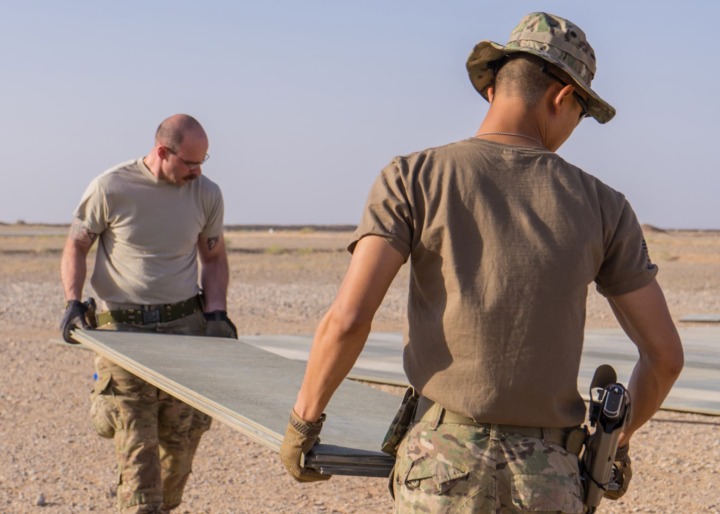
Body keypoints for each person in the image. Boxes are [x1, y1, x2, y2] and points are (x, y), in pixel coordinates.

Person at [280, 12, 684, 513]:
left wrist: (304, 425)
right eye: (581, 116)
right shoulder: (604, 205)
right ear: (563, 99)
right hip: (549, 478)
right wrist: (614, 446)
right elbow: (665, 356)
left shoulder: (412, 176)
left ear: (493, 88)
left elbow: (347, 321)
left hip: (438, 467)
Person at [60, 114, 238, 513]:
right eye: (190, 163)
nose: (197, 171)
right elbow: (75, 247)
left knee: (180, 453)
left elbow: (213, 258)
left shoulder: (206, 193)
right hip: (124, 337)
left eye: (203, 162)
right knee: (140, 464)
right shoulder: (112, 186)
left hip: (184, 334)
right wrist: (73, 301)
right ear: (162, 151)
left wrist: (216, 314)